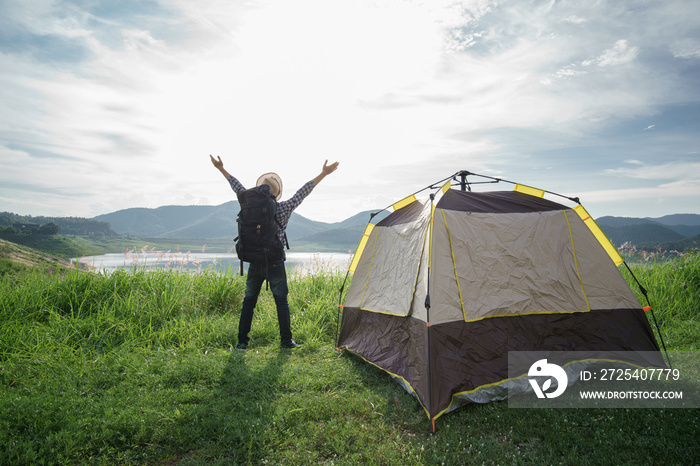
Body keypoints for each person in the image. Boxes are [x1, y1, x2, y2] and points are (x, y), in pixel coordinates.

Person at [210, 154, 339, 350]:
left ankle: (242, 342)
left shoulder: (246, 201)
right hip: (275, 261)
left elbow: (235, 185)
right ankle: (286, 342)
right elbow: (303, 192)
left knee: (249, 302)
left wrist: (221, 168)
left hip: (254, 259)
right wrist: (323, 173)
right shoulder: (284, 208)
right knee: (281, 302)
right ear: (277, 192)